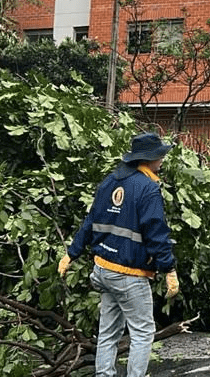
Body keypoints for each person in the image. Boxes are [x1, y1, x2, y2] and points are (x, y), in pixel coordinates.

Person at [58, 132, 180, 377]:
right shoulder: (148, 188)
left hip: (102, 269)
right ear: (150, 158)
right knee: (143, 331)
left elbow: (90, 221)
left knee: (108, 332)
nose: (163, 160)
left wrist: (71, 254)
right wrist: (169, 269)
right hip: (128, 275)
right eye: (160, 156)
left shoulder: (110, 181)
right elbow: (155, 233)